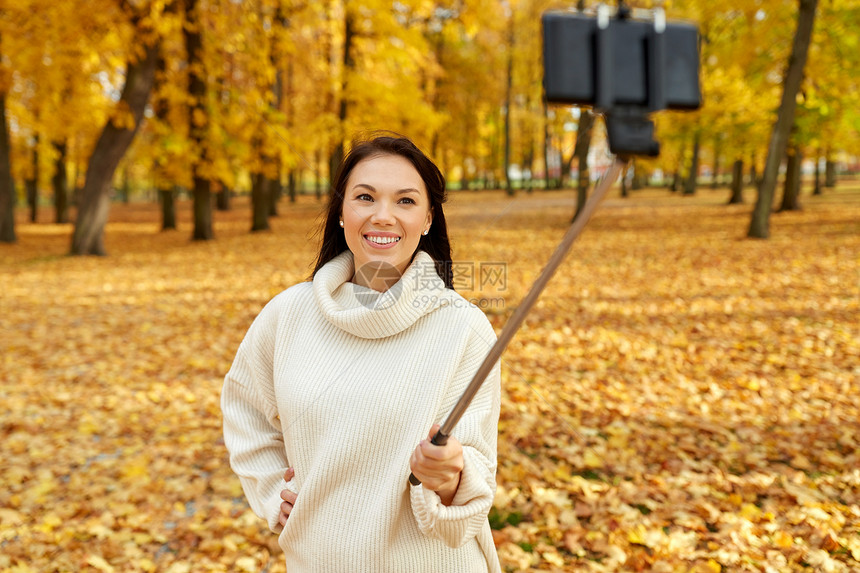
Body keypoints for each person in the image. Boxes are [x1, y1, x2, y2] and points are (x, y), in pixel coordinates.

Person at [221, 134, 502, 572]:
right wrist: (273, 491)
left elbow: (474, 481)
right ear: (341, 212)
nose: (383, 216)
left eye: (405, 201)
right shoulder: (288, 314)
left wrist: (450, 475)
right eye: (365, 197)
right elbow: (246, 409)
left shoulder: (463, 328)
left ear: (429, 218)